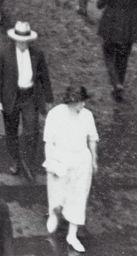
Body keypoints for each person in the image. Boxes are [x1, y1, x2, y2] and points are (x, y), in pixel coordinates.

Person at [0, 21, 53, 177]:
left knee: (32, 131)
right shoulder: (3, 54)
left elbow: (44, 77)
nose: (23, 44)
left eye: (26, 41)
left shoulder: (37, 54)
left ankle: (29, 163)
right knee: (11, 132)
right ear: (15, 39)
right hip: (11, 97)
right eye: (20, 41)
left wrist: (49, 99)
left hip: (30, 97)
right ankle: (15, 160)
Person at [42, 86, 98, 251]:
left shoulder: (87, 115)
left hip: (81, 160)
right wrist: (51, 162)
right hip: (60, 158)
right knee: (57, 192)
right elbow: (48, 142)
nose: (83, 105)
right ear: (72, 101)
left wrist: (94, 159)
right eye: (81, 102)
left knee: (79, 196)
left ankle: (72, 235)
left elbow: (92, 138)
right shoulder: (55, 114)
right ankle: (54, 214)